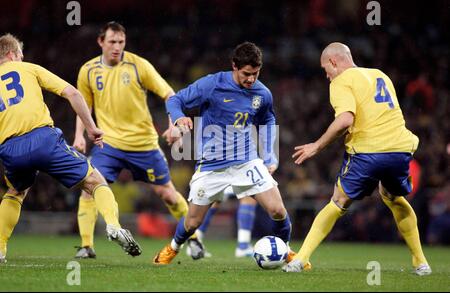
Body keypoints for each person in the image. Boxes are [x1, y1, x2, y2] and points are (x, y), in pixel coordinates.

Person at [283, 42, 431, 276]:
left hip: (369, 150)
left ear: (333, 62)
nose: (327, 76)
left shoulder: (341, 81)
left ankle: (300, 259)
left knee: (338, 201)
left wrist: (317, 146)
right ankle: (421, 263)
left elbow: (345, 121)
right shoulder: (379, 74)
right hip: (400, 149)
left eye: (325, 70)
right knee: (393, 197)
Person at [0, 33, 141, 263]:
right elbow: (72, 93)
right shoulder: (28, 68)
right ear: (12, 54)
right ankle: (114, 227)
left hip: (9, 149)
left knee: (16, 191)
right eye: (20, 55)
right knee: (95, 181)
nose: (22, 58)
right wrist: (92, 128)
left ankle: (0, 248)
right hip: (42, 139)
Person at [153, 41, 296, 265]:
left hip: (246, 161)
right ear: (234, 67)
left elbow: (268, 119)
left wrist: (270, 155)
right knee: (192, 223)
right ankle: (173, 248)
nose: (251, 79)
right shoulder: (212, 84)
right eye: (247, 74)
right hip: (212, 165)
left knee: (278, 210)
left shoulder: (262, 93)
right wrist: (179, 117)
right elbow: (175, 100)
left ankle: (286, 252)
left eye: (256, 74)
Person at [72, 22, 200, 259]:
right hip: (108, 144)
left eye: (121, 42)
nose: (117, 47)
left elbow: (168, 93)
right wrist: (79, 135)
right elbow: (84, 106)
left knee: (167, 194)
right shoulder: (87, 71)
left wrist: (173, 125)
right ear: (101, 42)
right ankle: (86, 246)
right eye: (112, 42)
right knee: (88, 187)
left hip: (143, 144)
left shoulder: (138, 65)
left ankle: (193, 238)